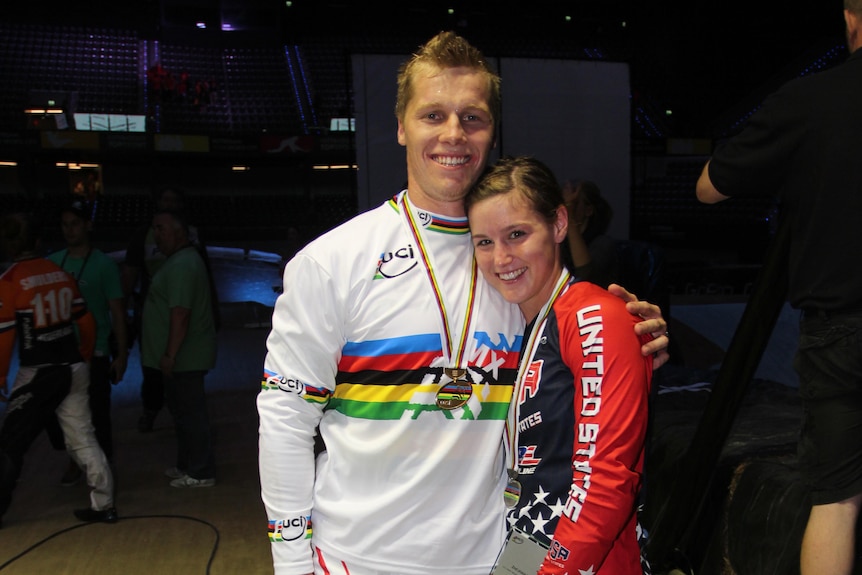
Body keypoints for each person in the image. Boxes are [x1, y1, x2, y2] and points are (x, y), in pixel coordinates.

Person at [257, 30, 668, 575]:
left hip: (494, 559)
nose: (455, 133)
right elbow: (285, 419)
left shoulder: (517, 274)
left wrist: (628, 338)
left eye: (472, 118)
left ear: (492, 133)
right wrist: (292, 566)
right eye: (433, 115)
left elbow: (578, 381)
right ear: (401, 126)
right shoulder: (331, 262)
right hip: (356, 559)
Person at [695, 4, 862, 573]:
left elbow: (709, 188)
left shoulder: (811, 99)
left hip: (842, 329)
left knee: (836, 500)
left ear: (850, 20)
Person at [467, 155, 653, 574]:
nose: (501, 259)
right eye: (484, 242)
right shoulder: (520, 322)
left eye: (517, 234)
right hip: (527, 543)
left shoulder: (593, 316)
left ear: (558, 225)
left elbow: (606, 481)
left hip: (585, 560)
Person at [0, 212, 116, 527]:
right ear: (38, 241)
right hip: (73, 366)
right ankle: (104, 504)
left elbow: (6, 334)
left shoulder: (10, 280)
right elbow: (86, 319)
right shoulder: (60, 272)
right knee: (83, 437)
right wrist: (87, 354)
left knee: (10, 441)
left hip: (39, 370)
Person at [122, 186, 218, 433]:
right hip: (155, 315)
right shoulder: (144, 235)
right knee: (154, 374)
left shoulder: (189, 245)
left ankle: (195, 460)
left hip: (177, 320)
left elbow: (185, 306)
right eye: (166, 200)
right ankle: (151, 410)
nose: (170, 204)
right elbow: (131, 272)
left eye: (174, 201)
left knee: (184, 393)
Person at [45, 199, 128, 485]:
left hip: (96, 352)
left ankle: (104, 467)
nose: (70, 230)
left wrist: (122, 354)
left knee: (98, 414)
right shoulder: (53, 263)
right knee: (62, 412)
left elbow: (116, 312)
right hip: (59, 351)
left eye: (75, 224)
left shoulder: (103, 264)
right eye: (65, 225)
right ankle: (75, 459)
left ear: (87, 226)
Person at [141, 209, 217, 488]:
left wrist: (170, 354)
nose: (156, 235)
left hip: (185, 357)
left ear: (179, 232)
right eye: (154, 229)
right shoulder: (178, 261)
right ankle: (188, 464)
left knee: (191, 414)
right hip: (179, 357)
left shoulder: (183, 264)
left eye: (161, 229)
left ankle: (201, 471)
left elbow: (180, 313)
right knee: (182, 414)